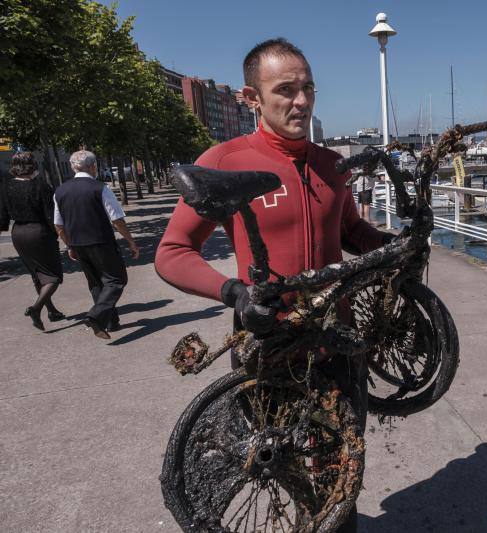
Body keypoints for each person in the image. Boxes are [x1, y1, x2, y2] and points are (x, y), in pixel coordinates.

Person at [154, 38, 392, 532]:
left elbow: (350, 232)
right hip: (266, 348)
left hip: (336, 346)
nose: (301, 101)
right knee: (278, 468)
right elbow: (172, 252)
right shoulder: (224, 160)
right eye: (285, 89)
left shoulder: (331, 164)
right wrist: (233, 294)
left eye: (308, 88)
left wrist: (395, 245)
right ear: (251, 98)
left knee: (339, 473)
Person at [54, 150, 139, 339]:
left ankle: (110, 321)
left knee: (95, 282)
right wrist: (131, 241)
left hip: (77, 243)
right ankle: (95, 316)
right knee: (116, 280)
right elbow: (116, 219)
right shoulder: (100, 188)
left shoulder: (60, 191)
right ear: (93, 167)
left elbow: (58, 224)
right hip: (101, 241)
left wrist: (69, 245)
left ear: (72, 167)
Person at [0, 152, 65, 330]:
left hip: (18, 233)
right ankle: (36, 309)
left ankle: (51, 311)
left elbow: (3, 215)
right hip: (39, 232)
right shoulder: (40, 186)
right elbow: (50, 215)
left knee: (36, 274)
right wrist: (58, 233)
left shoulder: (6, 187)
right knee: (54, 277)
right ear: (33, 165)